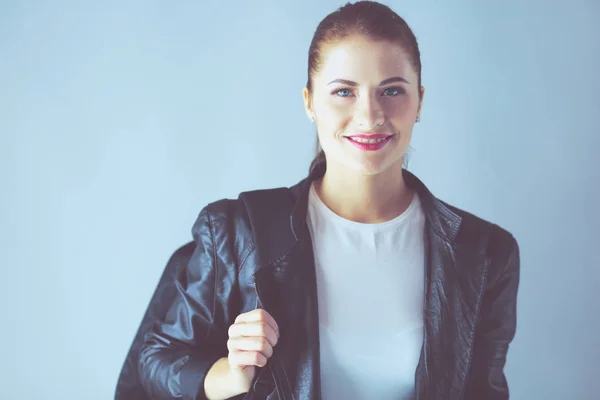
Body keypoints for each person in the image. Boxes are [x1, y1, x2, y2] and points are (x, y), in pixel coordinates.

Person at [138, 1, 520, 399]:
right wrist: (231, 375)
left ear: (419, 101)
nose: (370, 116)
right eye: (343, 92)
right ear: (309, 101)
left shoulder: (485, 252)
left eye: (392, 90)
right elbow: (157, 360)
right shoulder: (237, 230)